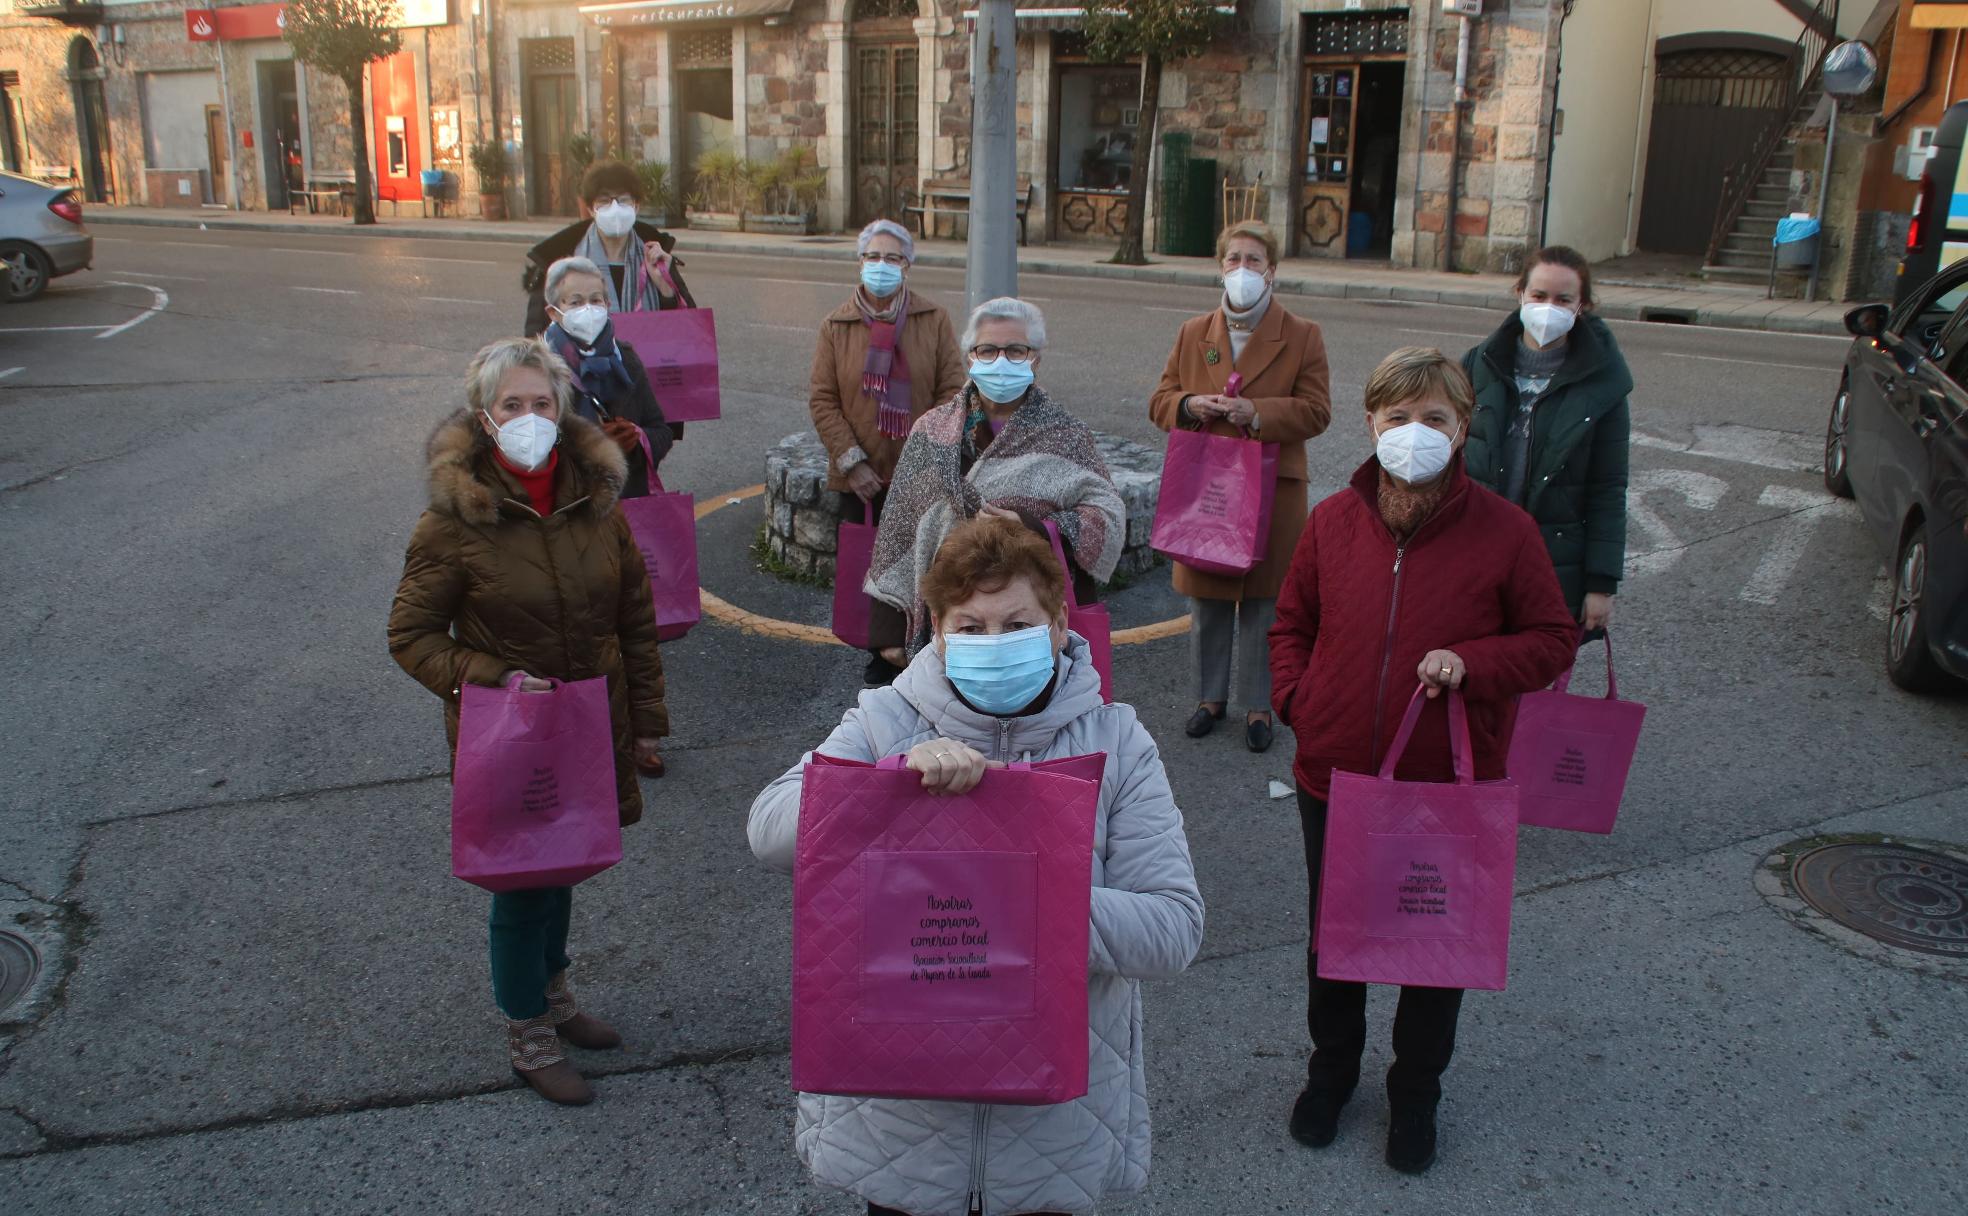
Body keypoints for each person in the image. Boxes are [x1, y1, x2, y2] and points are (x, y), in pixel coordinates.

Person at [748, 516, 1204, 1216]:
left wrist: (1026, 907)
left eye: (1016, 623)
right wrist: (889, 781)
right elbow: (770, 828)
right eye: (970, 625)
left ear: (1057, 626)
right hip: (904, 1125)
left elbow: (1173, 928)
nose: (994, 644)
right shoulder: (883, 722)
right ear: (937, 631)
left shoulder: (1119, 742)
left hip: (1050, 1129)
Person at [1268, 347, 1575, 1174]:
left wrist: (1473, 662)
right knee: (1336, 941)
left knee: (1431, 947)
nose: (1415, 433)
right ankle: (1330, 1076)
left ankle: (1416, 1094)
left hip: (1443, 784)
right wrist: (1301, 701)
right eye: (1398, 417)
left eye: (1434, 418)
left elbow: (1552, 641)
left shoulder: (1506, 533)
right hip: (1334, 775)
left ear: (1463, 428)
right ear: (1371, 424)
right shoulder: (1333, 519)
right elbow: (1290, 623)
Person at [388, 337, 669, 1107]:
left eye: (541, 403)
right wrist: (493, 678)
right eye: (512, 405)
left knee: (566, 861)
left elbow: (634, 621)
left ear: (562, 408)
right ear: (485, 418)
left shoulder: (595, 500)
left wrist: (646, 720)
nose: (529, 418)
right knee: (521, 886)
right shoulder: (452, 522)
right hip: (509, 734)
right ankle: (527, 1028)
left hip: (588, 722)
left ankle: (555, 995)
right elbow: (409, 637)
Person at [1149, 221, 1332, 754]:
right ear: (1219, 267)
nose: (1243, 270)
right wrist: (1189, 405)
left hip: (1271, 488)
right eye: (1234, 259)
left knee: (1263, 603)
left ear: (1272, 272)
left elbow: (1318, 412)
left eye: (1254, 261)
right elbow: (1160, 400)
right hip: (1208, 486)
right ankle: (1209, 700)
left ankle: (1259, 706)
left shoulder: (1302, 334)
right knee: (1207, 600)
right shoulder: (1193, 332)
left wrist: (1258, 413)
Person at [868, 297, 1126, 654]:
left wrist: (1034, 526)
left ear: (1036, 359)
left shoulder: (1066, 435)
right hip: (948, 620)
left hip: (1025, 627)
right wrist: (886, 632)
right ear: (970, 358)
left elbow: (1108, 517)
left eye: (1016, 350)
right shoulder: (931, 430)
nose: (1001, 361)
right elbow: (898, 526)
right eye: (987, 350)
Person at [808, 219, 966, 686]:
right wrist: (851, 461)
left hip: (922, 475)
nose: (882, 266)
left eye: (892, 258)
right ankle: (880, 666)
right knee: (873, 571)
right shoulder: (836, 325)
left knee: (926, 568)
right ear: (860, 263)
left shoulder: (932, 319)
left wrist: (925, 455)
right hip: (862, 480)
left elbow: (953, 391)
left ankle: (927, 657)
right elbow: (822, 399)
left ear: (908, 264)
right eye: (873, 257)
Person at [1460, 244, 1631, 640]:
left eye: (1563, 299)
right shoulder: (1478, 364)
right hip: (1479, 551)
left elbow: (1609, 489)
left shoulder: (1604, 385)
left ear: (1581, 306)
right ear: (1521, 293)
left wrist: (1600, 584)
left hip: (1553, 560)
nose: (1548, 307)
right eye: (1539, 296)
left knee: (1533, 677)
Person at [540, 255, 673, 498]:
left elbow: (661, 431)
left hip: (625, 508)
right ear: (553, 312)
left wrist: (636, 440)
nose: (588, 309)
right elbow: (528, 452)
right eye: (575, 302)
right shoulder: (538, 370)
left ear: (607, 305)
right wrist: (594, 448)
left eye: (595, 300)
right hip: (568, 509)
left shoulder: (627, 360)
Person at [522, 158, 695, 338]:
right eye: (604, 201)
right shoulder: (561, 260)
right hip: (579, 365)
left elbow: (687, 326)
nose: (615, 208)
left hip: (646, 363)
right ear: (590, 209)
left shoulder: (655, 256)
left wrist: (664, 287)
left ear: (636, 206)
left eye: (623, 200)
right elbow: (537, 333)